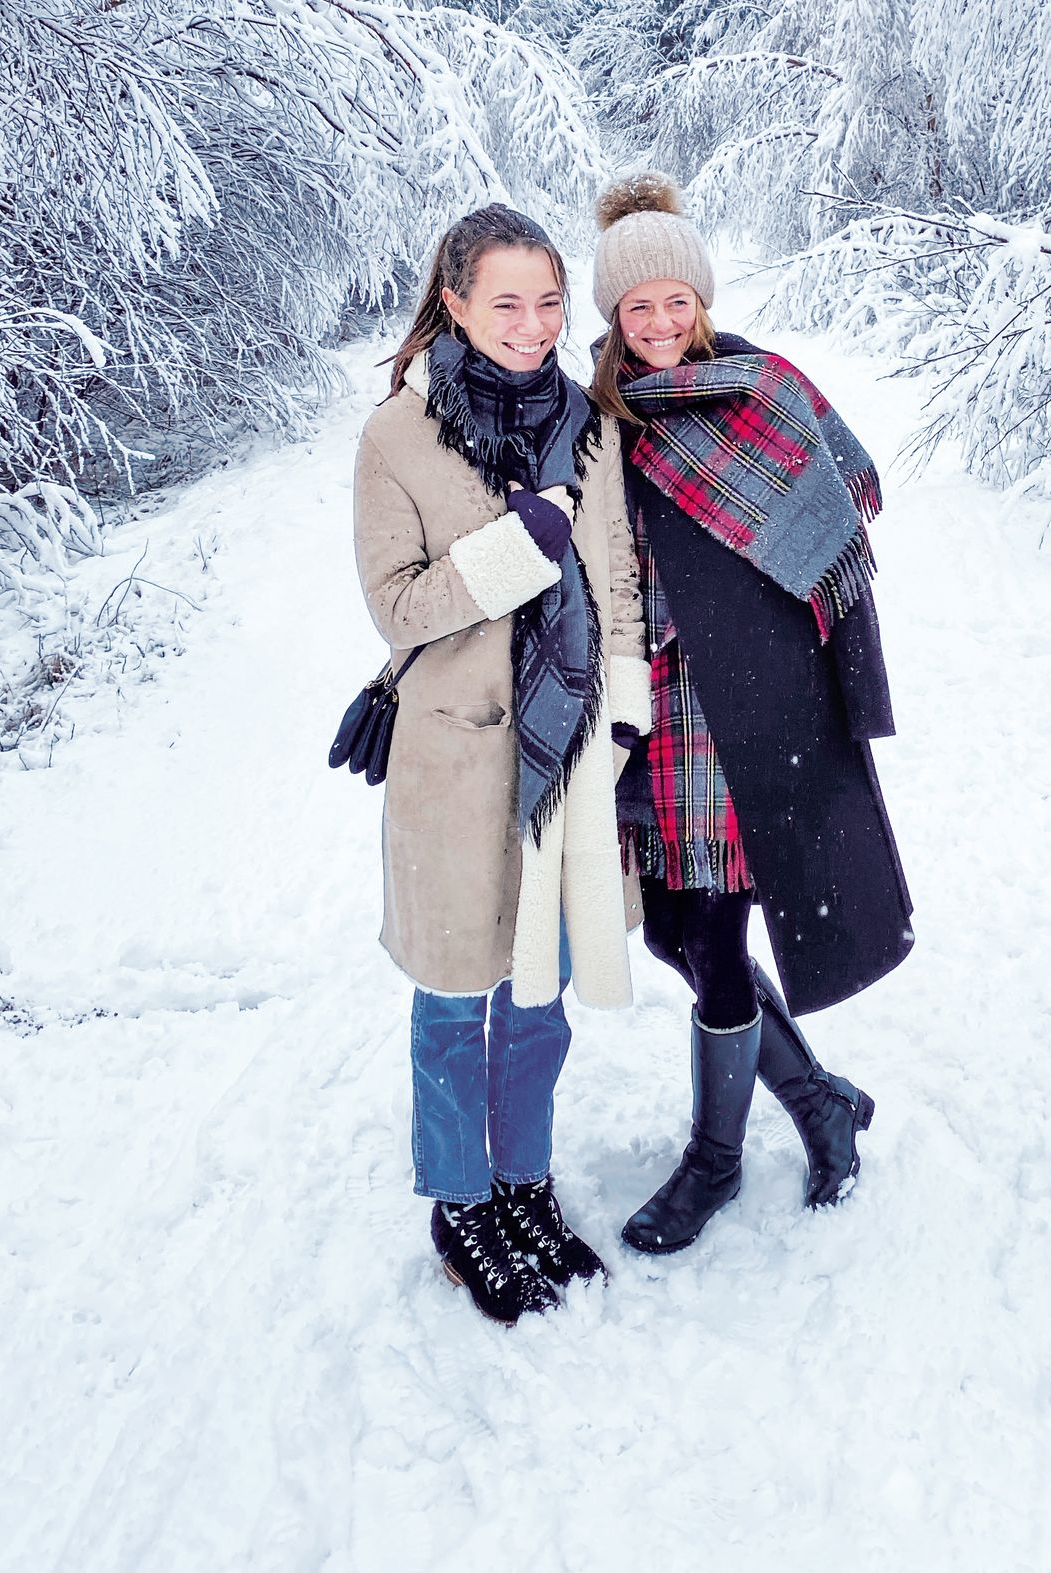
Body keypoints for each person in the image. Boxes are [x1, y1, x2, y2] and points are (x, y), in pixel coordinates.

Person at [591, 175, 914, 1255]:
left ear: (701, 296)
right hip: (655, 707)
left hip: (754, 700)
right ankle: (816, 1101)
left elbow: (853, 487)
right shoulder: (604, 416)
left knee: (718, 933)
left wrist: (760, 558)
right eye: (637, 308)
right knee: (678, 929)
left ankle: (715, 1164)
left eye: (674, 300)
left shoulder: (762, 386)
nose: (659, 325)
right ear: (611, 314)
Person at [352, 205, 652, 1323]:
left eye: (547, 303)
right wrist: (510, 551)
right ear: (455, 305)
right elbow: (394, 608)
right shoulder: (395, 437)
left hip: (567, 760)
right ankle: (459, 1200)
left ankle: (522, 1180)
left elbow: (617, 575)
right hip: (458, 760)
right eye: (506, 303)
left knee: (540, 996)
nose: (531, 327)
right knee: (452, 1002)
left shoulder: (586, 424)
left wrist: (621, 715)